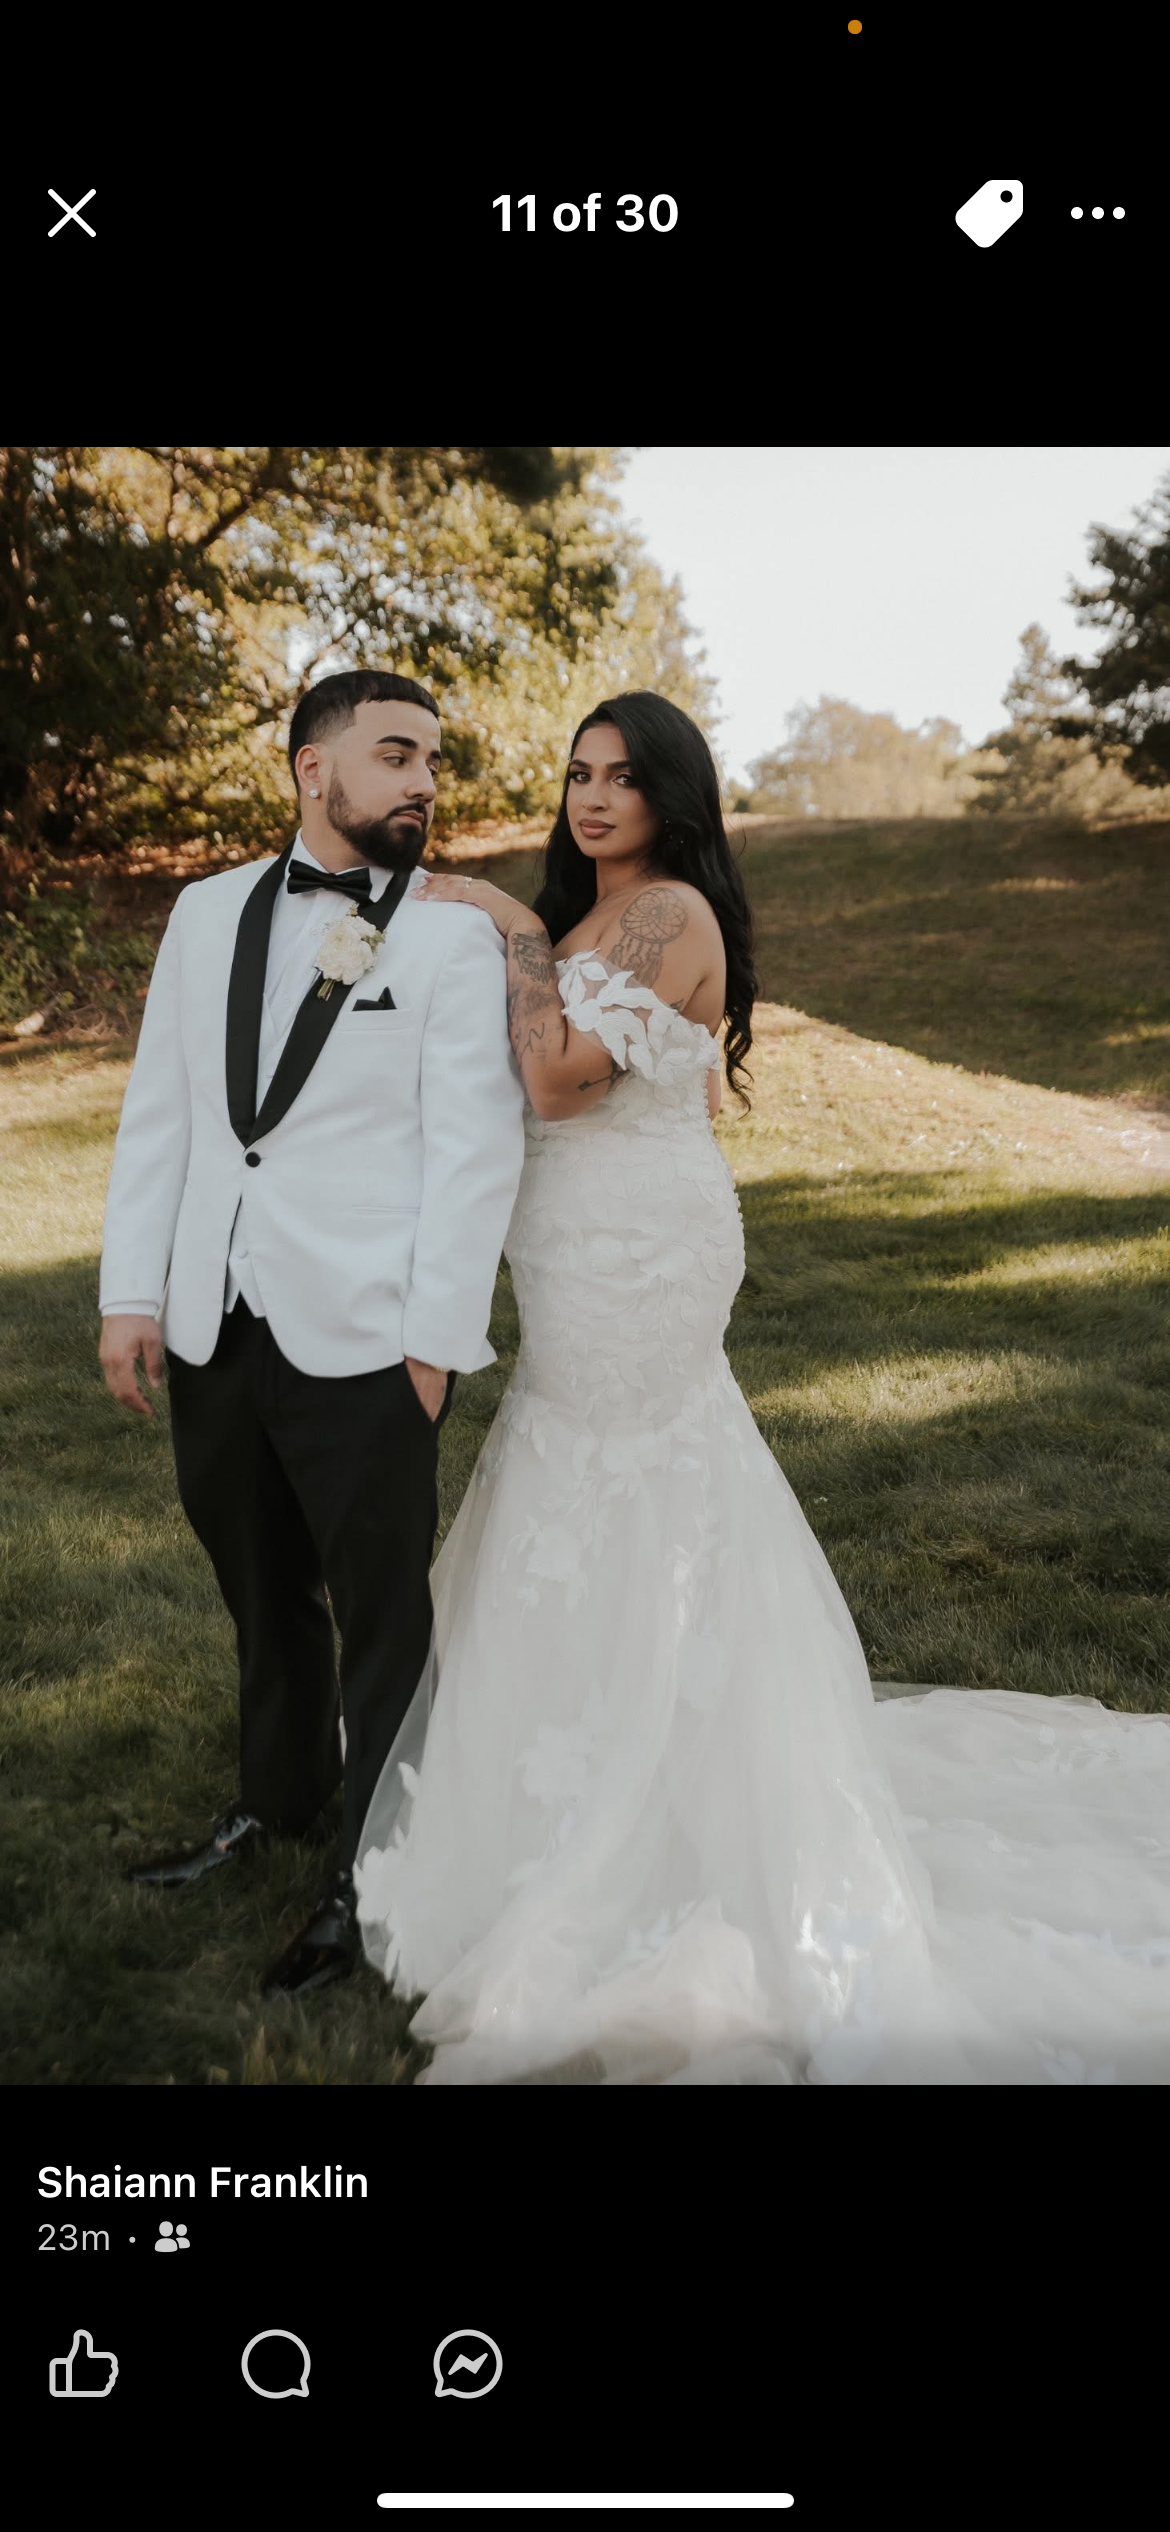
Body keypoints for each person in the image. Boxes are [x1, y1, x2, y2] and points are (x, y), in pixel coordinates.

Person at [353, 689, 1170, 2084]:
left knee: (634, 1467)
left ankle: (665, 1806)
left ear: (671, 795)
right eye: (576, 772)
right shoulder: (598, 920)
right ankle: (590, 1764)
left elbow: (555, 1080)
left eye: (620, 776)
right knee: (572, 1460)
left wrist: (501, 926)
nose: (590, 796)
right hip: (568, 1248)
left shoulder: (667, 914)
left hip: (640, 1250)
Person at [98, 668, 526, 1996]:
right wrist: (133, 1291)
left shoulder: (450, 942)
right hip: (218, 1323)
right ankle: (276, 1802)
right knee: (258, 1584)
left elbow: (474, 1154)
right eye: (394, 754)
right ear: (309, 770)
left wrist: (435, 1343)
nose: (420, 784)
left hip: (369, 1334)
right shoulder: (203, 910)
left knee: (381, 1613)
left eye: (432, 765)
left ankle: (372, 1871)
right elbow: (163, 1111)